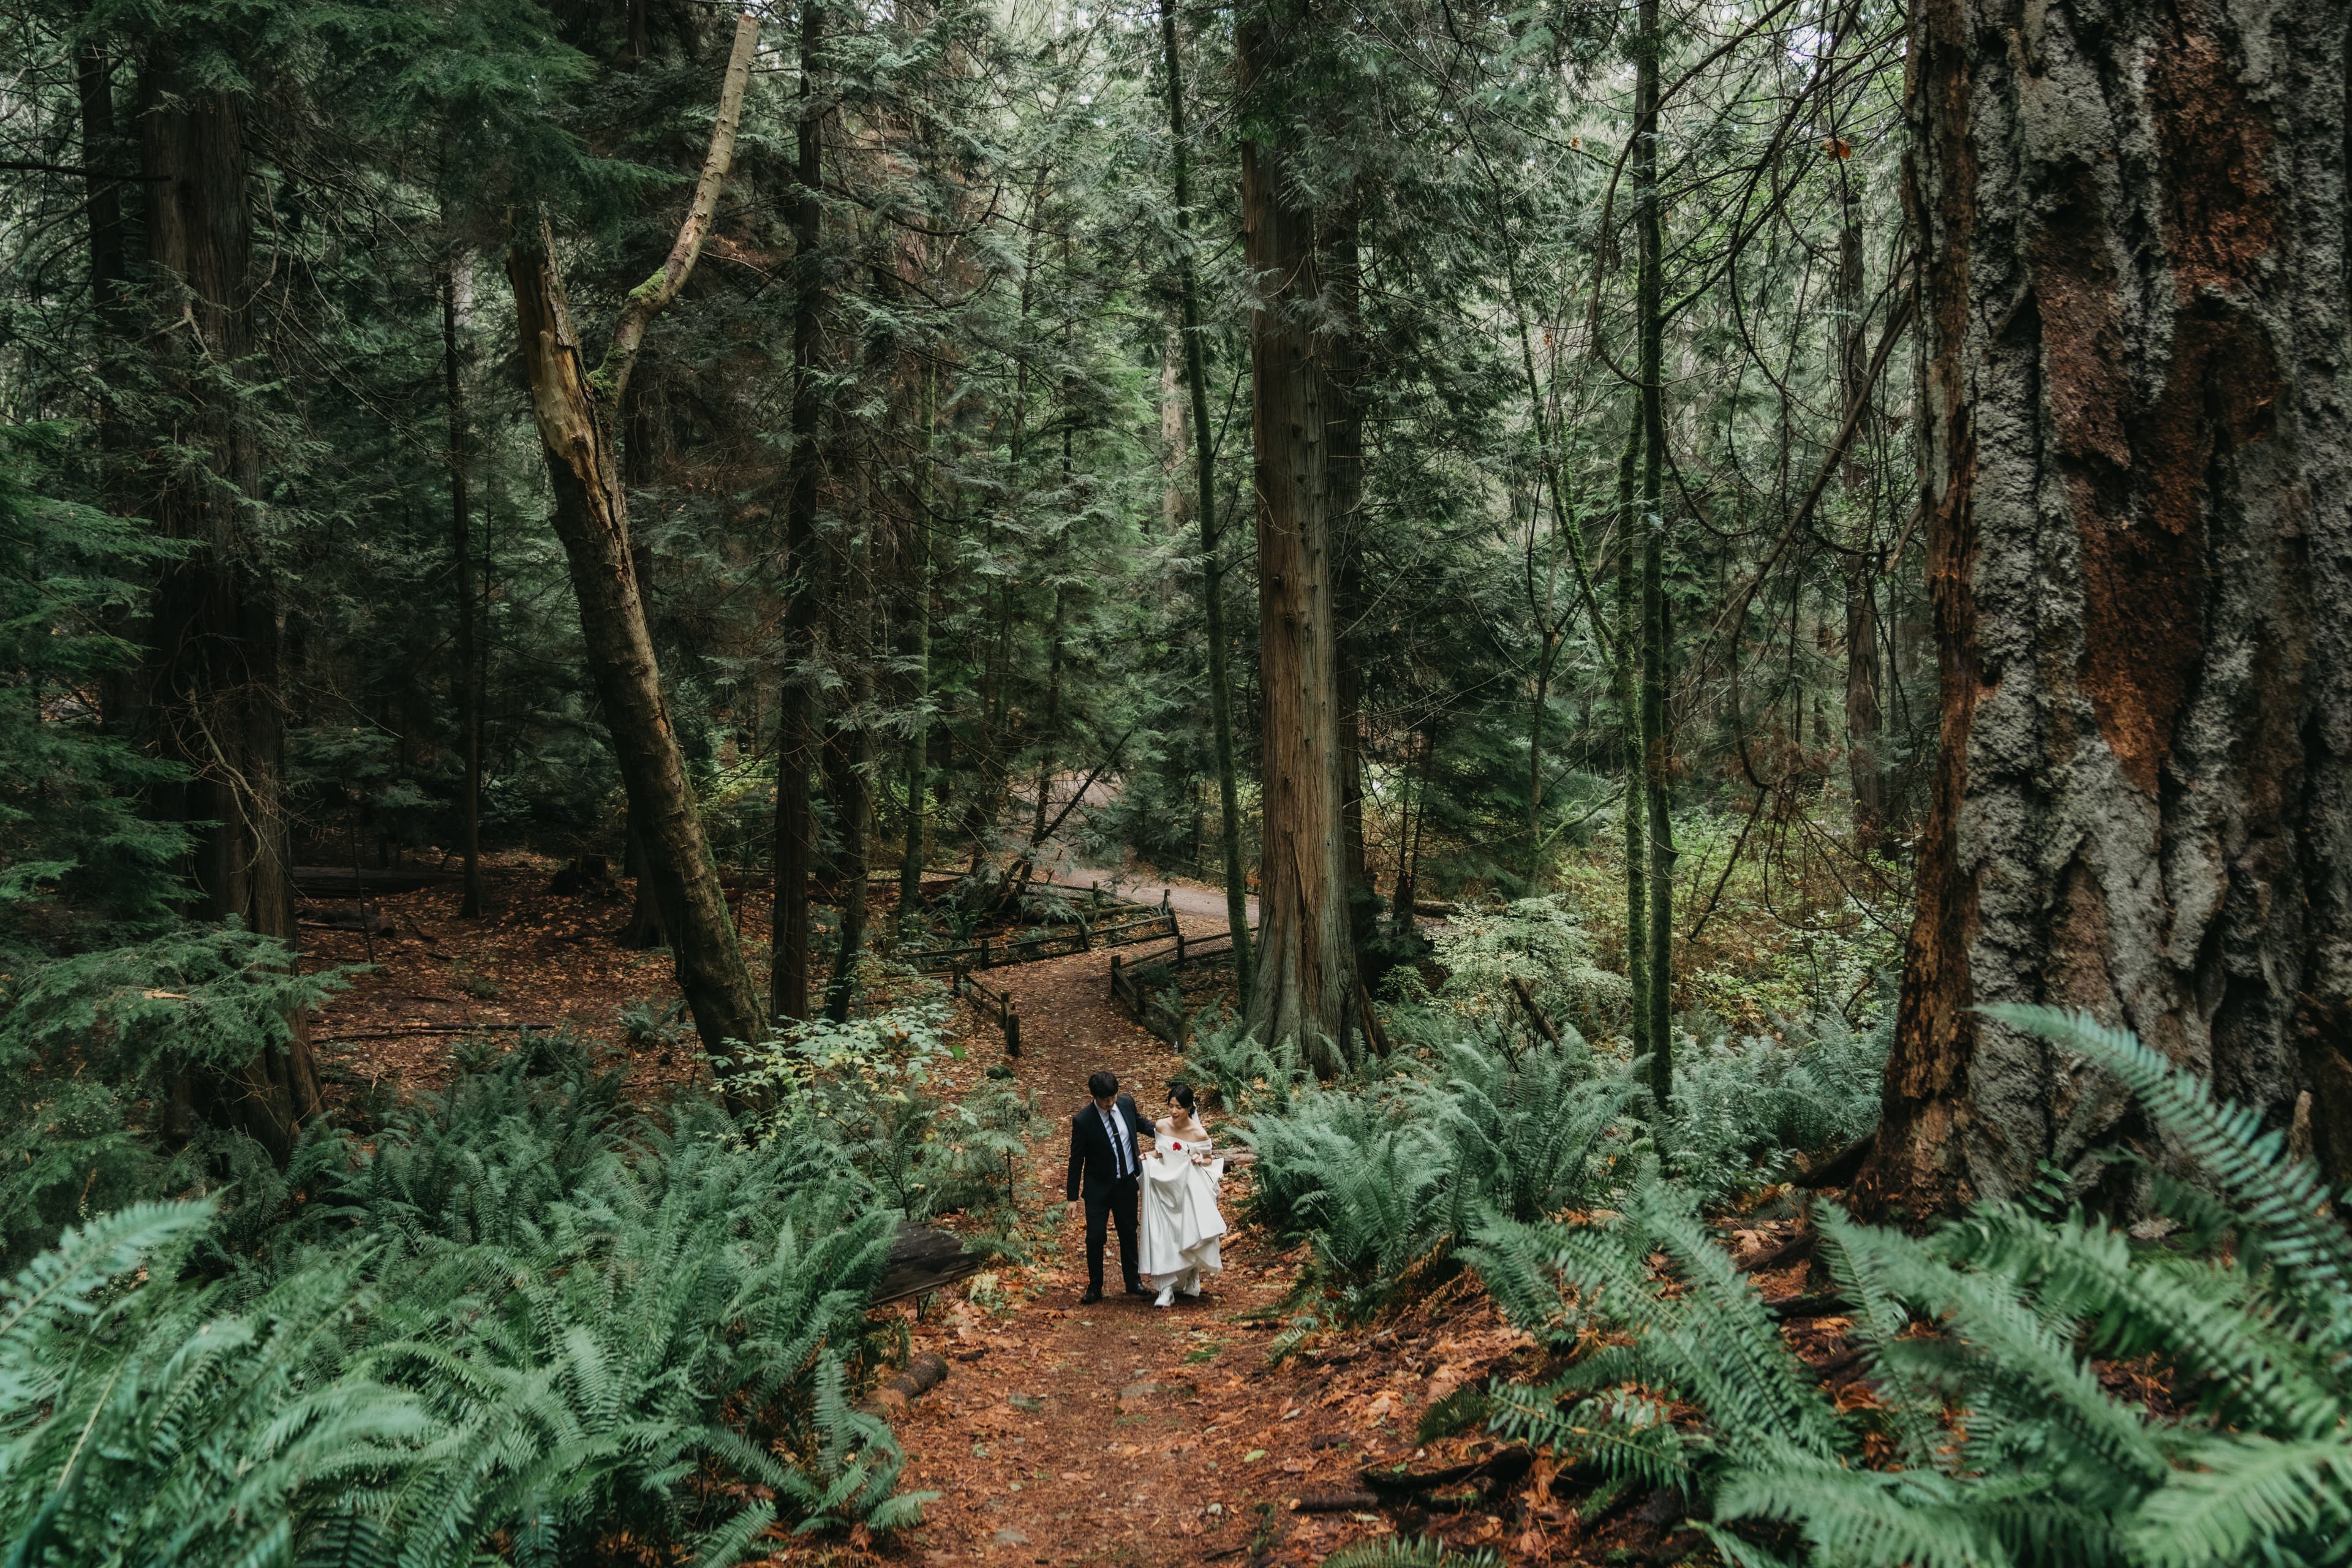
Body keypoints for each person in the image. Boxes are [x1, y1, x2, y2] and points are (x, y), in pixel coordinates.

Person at [1065, 1069, 1153, 1304]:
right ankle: (1095, 1287)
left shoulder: (1126, 1103)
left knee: (1128, 1231)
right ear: (1094, 1096)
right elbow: (1076, 1160)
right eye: (1105, 1099)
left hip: (1126, 1184)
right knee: (1095, 1237)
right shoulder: (1083, 1121)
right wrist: (1071, 1197)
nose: (1110, 1102)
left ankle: (1133, 1281)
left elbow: (1142, 1124)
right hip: (1098, 1189)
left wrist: (1169, 1130)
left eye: (1113, 1096)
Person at [1138, 1082, 1227, 1307]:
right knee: (1164, 1235)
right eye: (1171, 1106)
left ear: (1189, 1108)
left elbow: (1209, 1158)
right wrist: (1149, 1156)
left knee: (1187, 1232)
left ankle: (1192, 1274)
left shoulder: (1198, 1133)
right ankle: (1166, 1288)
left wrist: (1200, 1160)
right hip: (1164, 1185)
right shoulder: (1161, 1126)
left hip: (1187, 1185)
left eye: (1179, 1107)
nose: (1174, 1111)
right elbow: (1160, 1152)